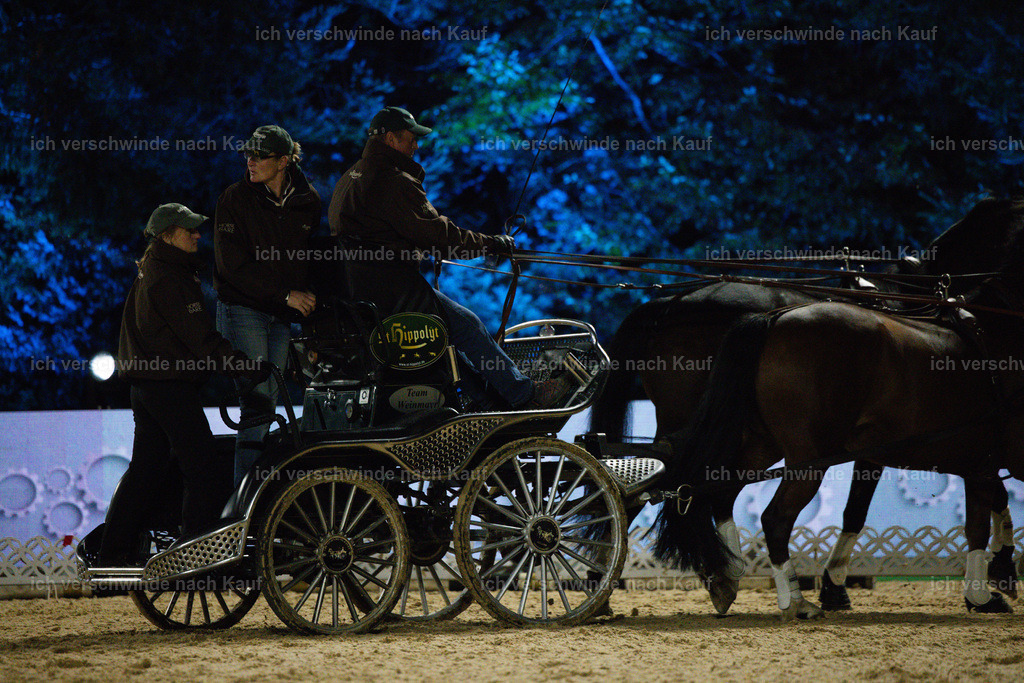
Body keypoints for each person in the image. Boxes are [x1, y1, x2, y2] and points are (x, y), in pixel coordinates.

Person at [328, 106, 571, 410]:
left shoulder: (350, 177)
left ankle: (485, 401)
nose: (416, 145)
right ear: (390, 139)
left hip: (367, 296)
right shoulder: (392, 182)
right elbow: (440, 237)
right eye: (410, 139)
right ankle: (525, 395)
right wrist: (492, 244)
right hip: (397, 296)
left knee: (447, 344)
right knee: (468, 326)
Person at [99, 203, 268, 565]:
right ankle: (196, 555)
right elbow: (201, 339)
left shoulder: (154, 269)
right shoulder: (171, 277)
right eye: (188, 229)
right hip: (168, 387)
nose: (196, 234)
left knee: (147, 468)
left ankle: (114, 552)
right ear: (167, 235)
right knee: (202, 468)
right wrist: (245, 366)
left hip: (147, 387)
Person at [214, 125, 321, 485]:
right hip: (244, 309)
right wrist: (284, 295)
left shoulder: (309, 201)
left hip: (280, 314)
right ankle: (242, 511)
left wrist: (310, 331)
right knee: (258, 406)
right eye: (248, 154)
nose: (250, 161)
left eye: (259, 156)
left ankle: (262, 501)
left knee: (270, 403)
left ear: (284, 161)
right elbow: (232, 267)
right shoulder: (234, 198)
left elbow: (310, 268)